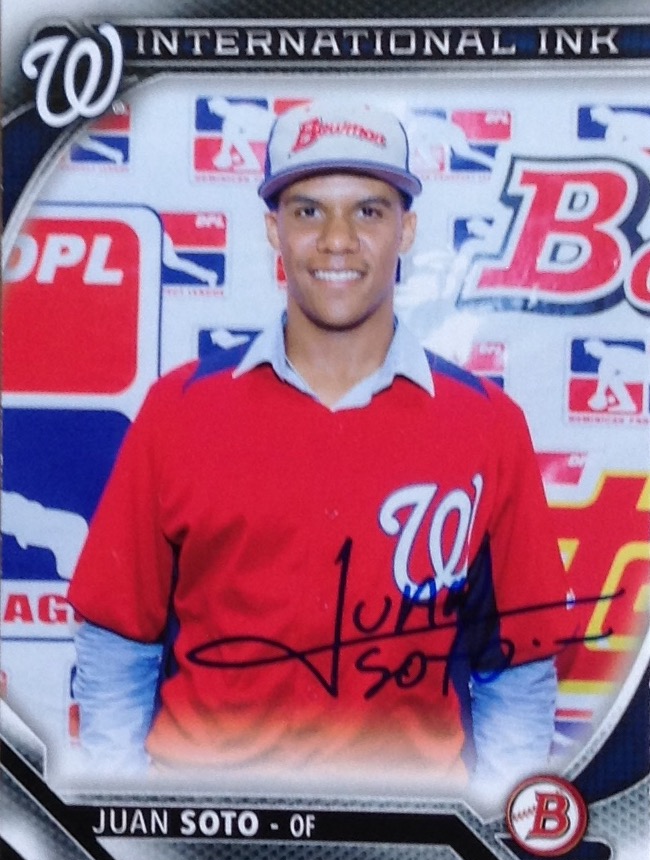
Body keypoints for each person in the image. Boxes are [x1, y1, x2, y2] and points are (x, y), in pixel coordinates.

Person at [68, 99, 574, 795]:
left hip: (408, 828)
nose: (338, 240)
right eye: (309, 211)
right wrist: (128, 823)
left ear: (407, 230)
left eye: (368, 211)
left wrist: (490, 824)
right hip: (206, 826)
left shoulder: (488, 425)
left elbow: (515, 669)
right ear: (272, 231)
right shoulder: (178, 410)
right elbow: (116, 644)